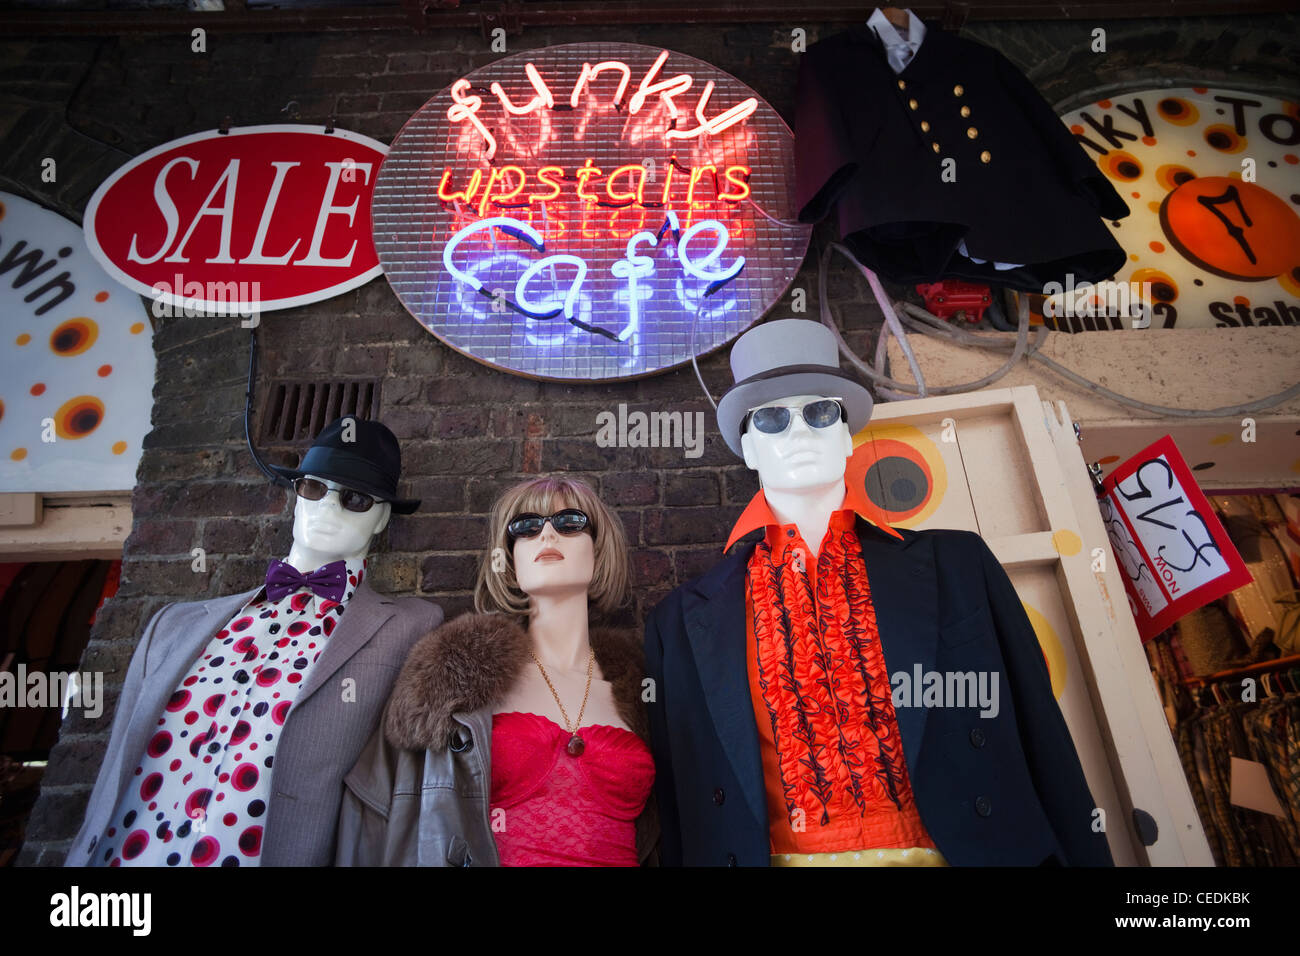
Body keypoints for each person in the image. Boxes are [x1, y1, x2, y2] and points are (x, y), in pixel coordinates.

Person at [644, 319, 1113, 866]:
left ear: (846, 434)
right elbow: (685, 808)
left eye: (820, 413)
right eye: (771, 419)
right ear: (747, 449)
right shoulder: (678, 621)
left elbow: (1042, 735)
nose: (798, 432)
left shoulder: (958, 564)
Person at [68, 417, 443, 866]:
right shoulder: (173, 626)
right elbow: (114, 765)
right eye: (314, 489)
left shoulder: (409, 628)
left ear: (382, 517)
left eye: (356, 499)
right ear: (297, 497)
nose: (328, 507)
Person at [337, 476, 656, 866]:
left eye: (570, 522)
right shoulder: (450, 683)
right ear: (510, 557)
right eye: (526, 527)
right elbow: (373, 812)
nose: (547, 535)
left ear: (599, 549)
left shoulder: (647, 691)